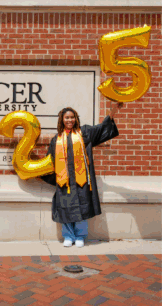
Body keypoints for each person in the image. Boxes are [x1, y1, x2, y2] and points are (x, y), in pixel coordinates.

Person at [41, 103, 121, 248]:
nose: (69, 120)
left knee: (82, 208)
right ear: (62, 120)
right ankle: (68, 236)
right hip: (64, 181)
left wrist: (113, 111)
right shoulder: (56, 139)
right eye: (67, 118)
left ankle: (80, 236)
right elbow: (50, 161)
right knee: (65, 208)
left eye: (72, 117)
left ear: (76, 119)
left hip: (81, 180)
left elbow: (102, 128)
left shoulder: (84, 133)